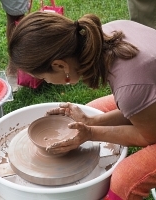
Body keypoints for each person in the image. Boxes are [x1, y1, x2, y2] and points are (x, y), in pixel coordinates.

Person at [8, 11, 156, 200]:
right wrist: (90, 120)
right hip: (148, 91)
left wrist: (91, 133)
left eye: (45, 78)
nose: (49, 82)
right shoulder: (108, 32)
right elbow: (139, 103)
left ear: (60, 66)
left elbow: (148, 135)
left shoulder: (130, 86)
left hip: (147, 109)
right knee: (94, 108)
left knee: (124, 179)